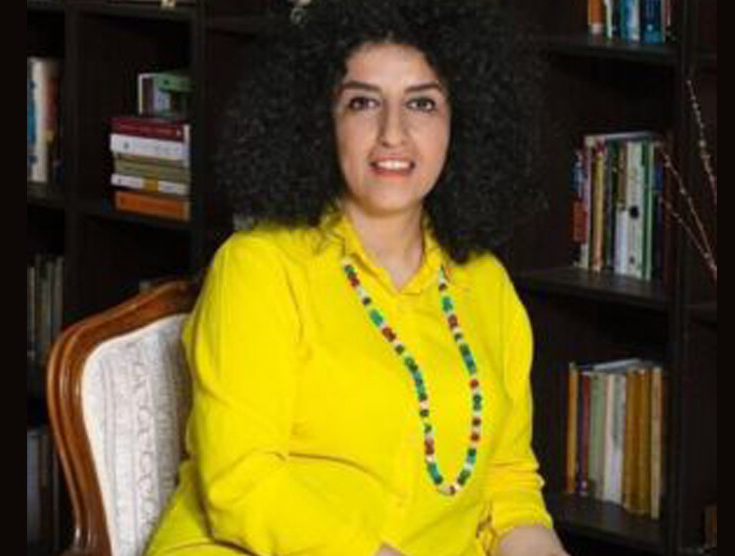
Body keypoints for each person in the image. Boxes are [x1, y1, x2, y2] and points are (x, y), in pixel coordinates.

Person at [146, 0, 568, 554]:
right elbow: (241, 484)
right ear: (322, 121)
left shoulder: (486, 285)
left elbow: (507, 487)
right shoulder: (258, 268)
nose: (393, 133)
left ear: (462, 123)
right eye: (363, 103)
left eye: (422, 103)